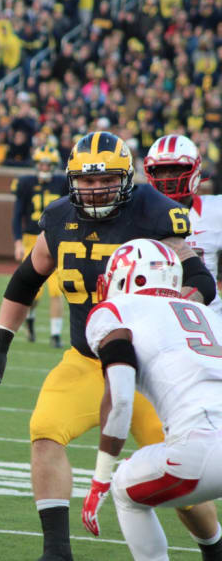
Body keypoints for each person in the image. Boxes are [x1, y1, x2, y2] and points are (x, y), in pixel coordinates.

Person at [0, 131, 219, 561]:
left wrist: (173, 312)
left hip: (145, 366)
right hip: (86, 359)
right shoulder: (58, 217)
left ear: (126, 177)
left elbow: (201, 279)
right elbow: (26, 280)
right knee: (45, 433)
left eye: (104, 178)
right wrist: (2, 340)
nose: (94, 188)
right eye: (85, 181)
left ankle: (213, 547)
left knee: (180, 481)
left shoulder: (156, 211)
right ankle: (56, 551)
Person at [81, 238, 222, 560]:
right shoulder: (205, 312)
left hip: (202, 448)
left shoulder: (115, 310)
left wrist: (100, 478)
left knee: (123, 488)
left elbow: (120, 398)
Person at [144, 134, 222, 314]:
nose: (168, 178)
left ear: (195, 171)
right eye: (160, 170)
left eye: (176, 170)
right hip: (158, 316)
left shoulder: (215, 210)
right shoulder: (139, 213)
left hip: (209, 317)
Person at [10, 143, 68, 347]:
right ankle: (31, 318)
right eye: (41, 165)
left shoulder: (62, 182)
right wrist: (17, 242)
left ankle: (55, 336)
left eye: (48, 165)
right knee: (34, 291)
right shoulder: (25, 183)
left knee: (56, 290)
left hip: (55, 239)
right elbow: (17, 215)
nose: (44, 168)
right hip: (31, 240)